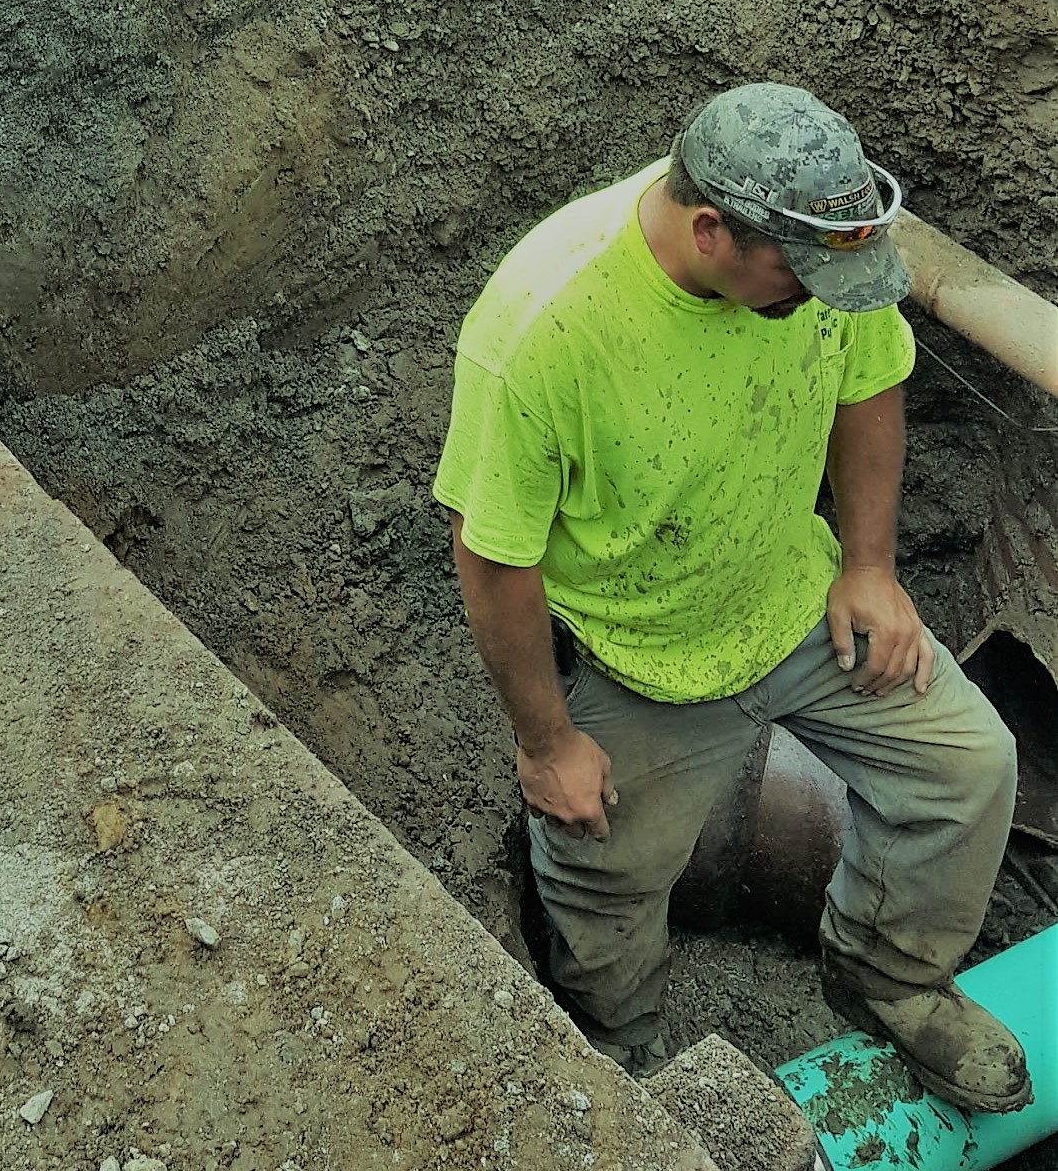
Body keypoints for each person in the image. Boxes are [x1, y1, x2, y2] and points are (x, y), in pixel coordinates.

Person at [433, 82, 1030, 1117]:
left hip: (796, 604)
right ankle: (622, 1066)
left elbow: (869, 381)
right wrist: (544, 741)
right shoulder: (543, 329)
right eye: (800, 279)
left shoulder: (815, 271)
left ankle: (885, 976)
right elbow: (493, 559)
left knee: (969, 767)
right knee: (599, 876)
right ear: (711, 230)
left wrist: (870, 566)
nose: (823, 295)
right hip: (639, 653)